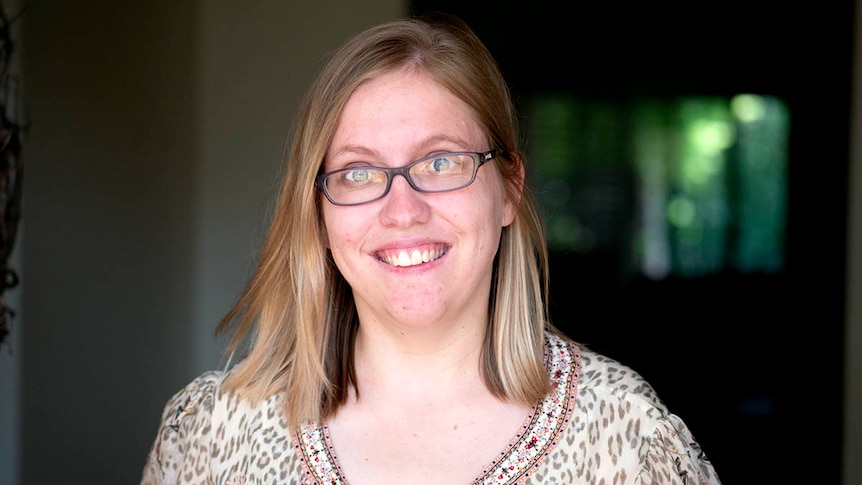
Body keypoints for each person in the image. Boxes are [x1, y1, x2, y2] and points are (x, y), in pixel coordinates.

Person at [140, 12, 722, 485]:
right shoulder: (213, 433)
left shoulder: (627, 438)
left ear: (508, 190)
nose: (402, 210)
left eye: (441, 162)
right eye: (359, 172)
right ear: (317, 210)